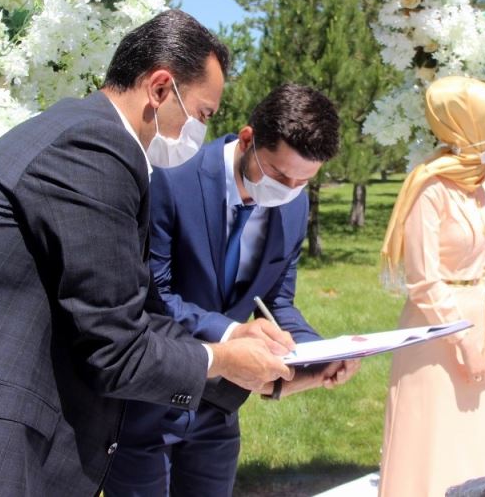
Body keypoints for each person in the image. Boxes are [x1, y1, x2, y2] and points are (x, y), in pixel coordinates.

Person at [0, 10, 294, 497]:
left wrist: (241, 345)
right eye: (203, 114)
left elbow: (136, 311)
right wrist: (225, 361)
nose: (202, 132)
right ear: (160, 88)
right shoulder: (95, 149)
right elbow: (116, 349)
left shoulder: (78, 131)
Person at [104, 83, 361, 496]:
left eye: (303, 180)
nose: (288, 189)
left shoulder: (294, 205)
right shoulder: (171, 176)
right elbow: (156, 294)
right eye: (279, 174)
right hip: (147, 403)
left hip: (220, 408)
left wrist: (320, 353)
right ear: (247, 139)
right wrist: (234, 333)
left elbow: (277, 301)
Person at [378, 76, 485, 497]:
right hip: (436, 331)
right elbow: (423, 279)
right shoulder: (430, 188)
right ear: (471, 124)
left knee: (475, 438)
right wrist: (464, 342)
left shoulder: (479, 182)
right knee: (431, 441)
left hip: (479, 324)